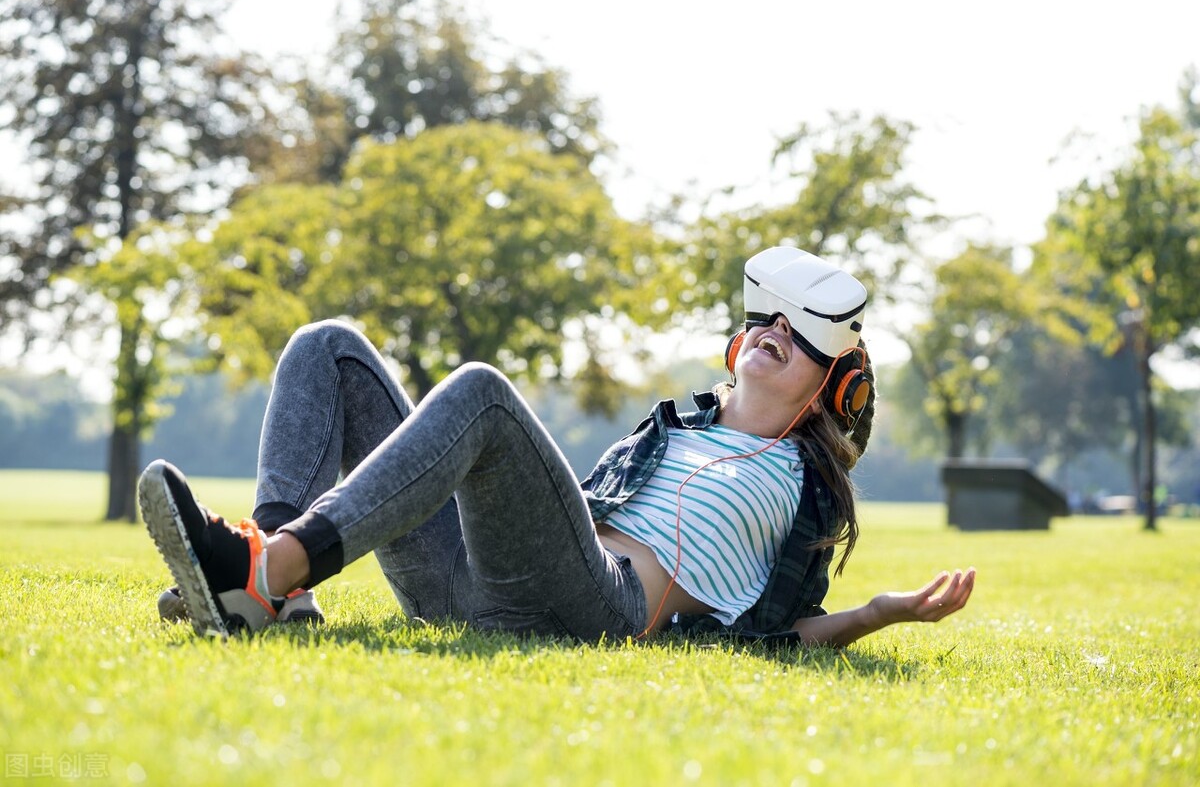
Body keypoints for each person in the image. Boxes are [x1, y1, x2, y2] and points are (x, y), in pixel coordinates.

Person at [139, 245, 975, 645]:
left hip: (598, 605)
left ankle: (266, 567)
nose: (776, 331)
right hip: (484, 577)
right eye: (769, 320)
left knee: (483, 393)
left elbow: (788, 629)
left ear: (836, 391)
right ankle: (273, 587)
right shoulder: (673, 428)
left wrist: (878, 613)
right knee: (328, 345)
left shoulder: (802, 484)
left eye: (803, 336)